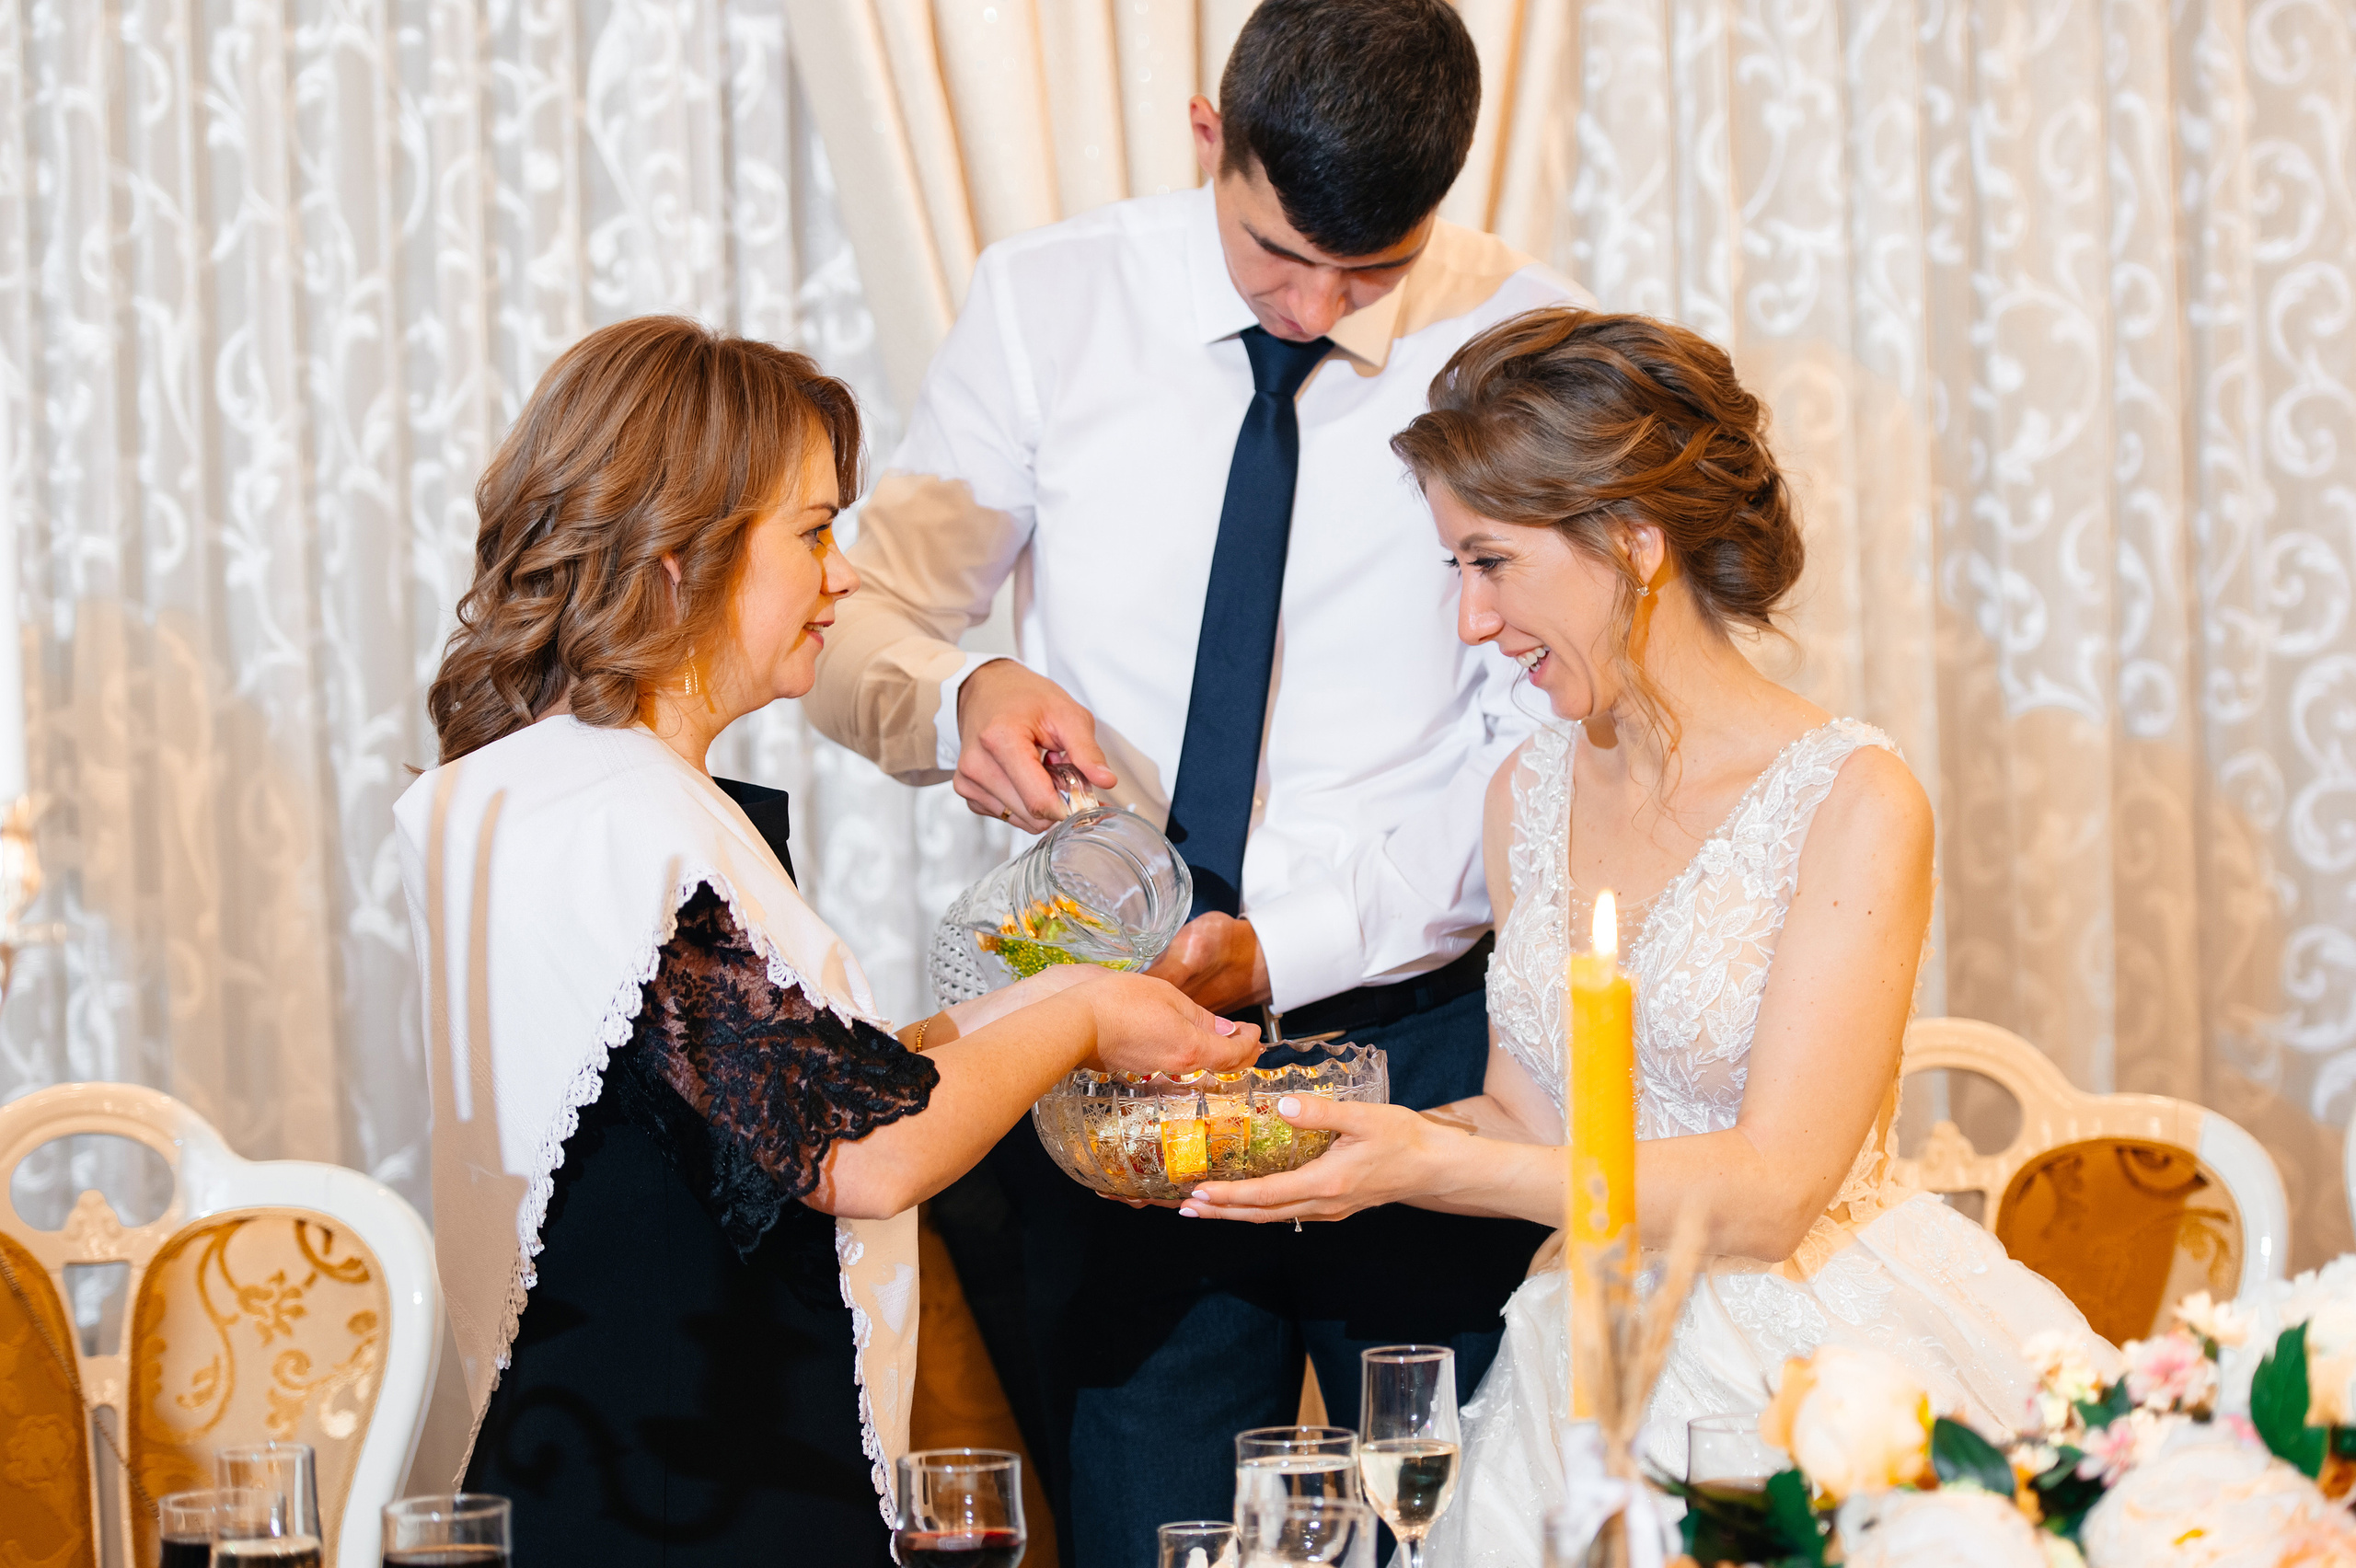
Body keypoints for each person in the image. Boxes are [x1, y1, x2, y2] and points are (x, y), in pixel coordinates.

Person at [803, 3, 1589, 1558]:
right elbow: (853, 617)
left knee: (1458, 1520)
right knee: (1152, 1517)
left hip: (1435, 1049)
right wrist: (968, 684)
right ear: (1202, 133)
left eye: (1369, 275)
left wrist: (1278, 945)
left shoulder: (1526, 342)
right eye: (1273, 253)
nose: (1310, 308)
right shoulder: (1046, 304)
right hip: (1114, 1066)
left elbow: (1543, 753)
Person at [1177, 307, 2117, 1565]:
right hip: (1585, 1361)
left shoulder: (1851, 798)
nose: (1469, 621)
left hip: (1817, 1372)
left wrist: (1425, 1168)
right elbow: (1528, 1118)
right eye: (1455, 568)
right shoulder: (1529, 791)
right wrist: (1308, 1128)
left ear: (1631, 541)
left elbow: (1775, 1193)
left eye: (1490, 563)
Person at [394, 317, 1257, 1564]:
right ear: (679, 559)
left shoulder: (556, 792)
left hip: (614, 1445)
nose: (842, 578)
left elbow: (755, 1100)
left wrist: (1040, 1000)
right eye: (811, 534)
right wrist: (1080, 1016)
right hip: (679, 1484)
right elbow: (858, 1152)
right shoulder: (624, 817)